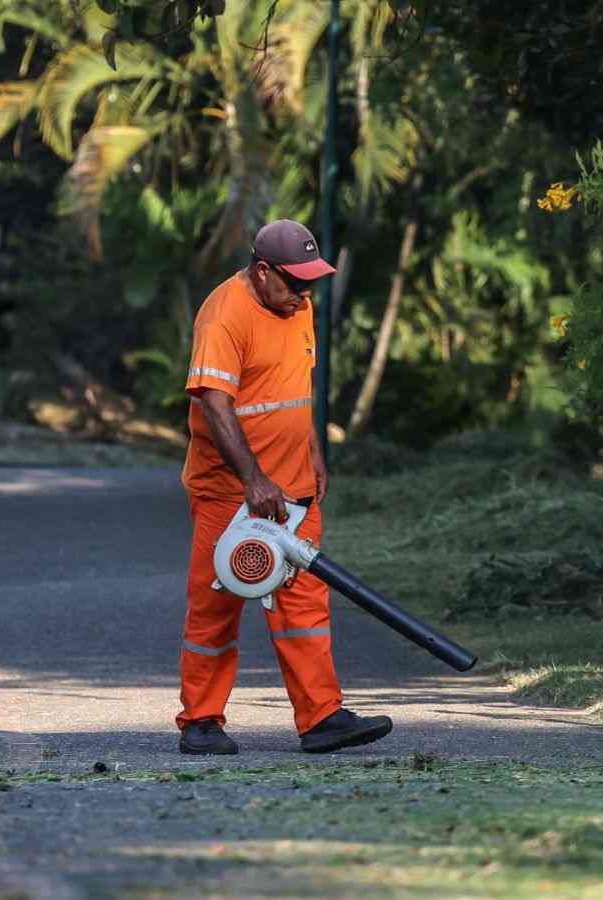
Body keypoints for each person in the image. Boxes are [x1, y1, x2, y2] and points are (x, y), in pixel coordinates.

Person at [175, 219, 393, 755]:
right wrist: (252, 479)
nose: (303, 295)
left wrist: (314, 452)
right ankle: (201, 721)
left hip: (294, 490)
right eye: (294, 284)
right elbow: (215, 403)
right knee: (216, 603)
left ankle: (321, 718)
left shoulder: (298, 307)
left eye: (310, 284)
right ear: (263, 270)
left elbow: (298, 389)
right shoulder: (226, 314)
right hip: (231, 493)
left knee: (304, 607)